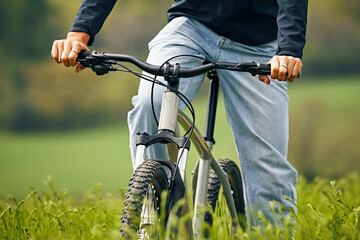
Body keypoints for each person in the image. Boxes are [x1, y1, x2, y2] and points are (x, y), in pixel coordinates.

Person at [51, 0, 308, 229]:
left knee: (267, 166)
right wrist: (79, 32)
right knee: (149, 104)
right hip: (190, 28)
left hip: (258, 44)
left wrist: (289, 49)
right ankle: (158, 219)